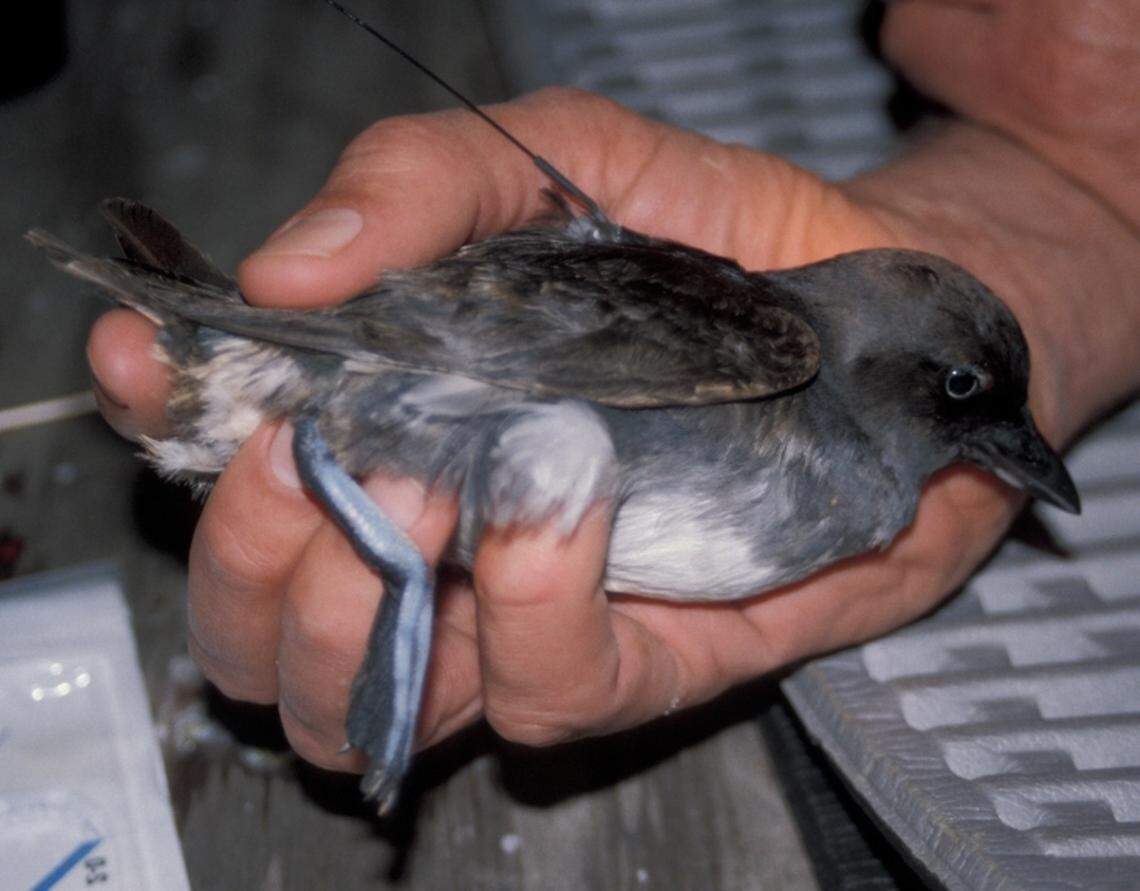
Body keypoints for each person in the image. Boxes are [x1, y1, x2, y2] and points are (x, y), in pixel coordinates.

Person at [86, 1, 1140, 775]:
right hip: (366, 383)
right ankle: (341, 482)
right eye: (963, 389)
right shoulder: (773, 344)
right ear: (893, 370)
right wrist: (268, 338)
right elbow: (525, 333)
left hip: (403, 419)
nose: (1006, 438)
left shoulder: (859, 475)